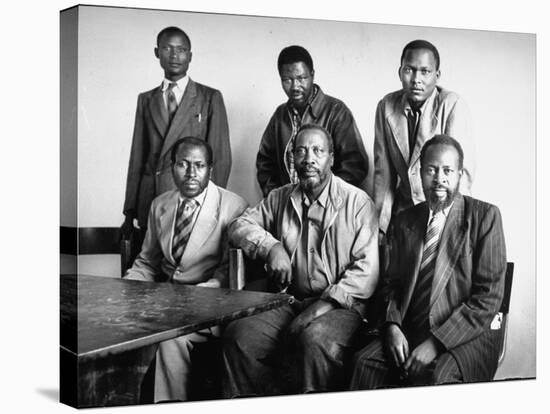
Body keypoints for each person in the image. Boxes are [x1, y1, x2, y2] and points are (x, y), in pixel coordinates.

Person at [223, 124, 379, 396]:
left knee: (314, 340)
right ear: (292, 159)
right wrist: (271, 247)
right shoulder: (279, 197)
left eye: (318, 151)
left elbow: (365, 273)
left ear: (331, 158)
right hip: (290, 300)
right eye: (301, 151)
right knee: (240, 336)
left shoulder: (358, 203)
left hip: (342, 308)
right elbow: (239, 226)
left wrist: (318, 309)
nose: (309, 159)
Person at [350, 135, 506, 389]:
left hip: (464, 337)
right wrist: (392, 325)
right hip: (410, 329)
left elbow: (488, 297)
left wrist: (436, 343)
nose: (439, 179)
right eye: (431, 170)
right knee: (363, 362)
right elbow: (391, 284)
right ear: (420, 175)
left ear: (459, 175)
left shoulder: (484, 217)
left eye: (447, 170)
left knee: (437, 378)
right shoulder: (405, 220)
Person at [124, 137, 247, 402]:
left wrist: (201, 293)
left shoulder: (233, 206)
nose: (191, 173)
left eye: (199, 165)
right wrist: (126, 293)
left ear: (210, 169)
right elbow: (147, 262)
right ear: (172, 167)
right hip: (164, 302)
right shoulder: (160, 204)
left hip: (210, 306)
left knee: (170, 338)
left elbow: (229, 271)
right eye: (183, 164)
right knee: (119, 333)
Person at [122, 26, 232, 242]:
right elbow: (137, 158)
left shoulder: (209, 97)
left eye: (181, 49)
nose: (174, 55)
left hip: (192, 198)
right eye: (167, 48)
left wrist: (211, 204)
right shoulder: (145, 99)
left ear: (190, 56)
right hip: (152, 199)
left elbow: (220, 158)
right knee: (151, 265)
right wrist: (129, 211)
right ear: (157, 52)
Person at [373, 39, 475, 236]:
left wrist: (451, 229)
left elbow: (461, 176)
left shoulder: (452, 104)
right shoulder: (386, 106)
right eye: (409, 70)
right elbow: (383, 175)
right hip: (403, 216)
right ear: (400, 72)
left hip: (442, 214)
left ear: (437, 75)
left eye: (425, 71)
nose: (416, 79)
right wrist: (380, 228)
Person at [256, 45, 368, 197]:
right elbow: (265, 163)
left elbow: (354, 166)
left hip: (328, 209)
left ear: (312, 75)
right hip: (289, 209)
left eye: (301, 78)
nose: (295, 86)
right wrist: (278, 198)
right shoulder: (280, 115)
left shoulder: (336, 111)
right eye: (287, 80)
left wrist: (325, 198)